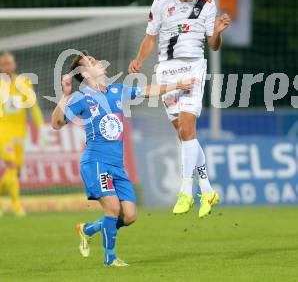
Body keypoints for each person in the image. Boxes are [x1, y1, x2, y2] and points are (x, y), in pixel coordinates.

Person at [51, 50, 194, 267]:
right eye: (90, 61)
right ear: (85, 74)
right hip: (96, 162)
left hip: (117, 165)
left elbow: (147, 90)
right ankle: (110, 258)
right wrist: (65, 94)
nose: (97, 61)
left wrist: (177, 85)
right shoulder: (82, 98)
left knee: (129, 215)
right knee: (113, 209)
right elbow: (56, 123)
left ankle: (88, 229)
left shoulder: (117, 90)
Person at [128, 0, 230, 218]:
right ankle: (207, 190)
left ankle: (186, 190)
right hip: (166, 69)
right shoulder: (161, 2)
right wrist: (139, 60)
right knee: (184, 135)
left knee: (187, 129)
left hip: (193, 68)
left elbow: (213, 45)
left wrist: (217, 33)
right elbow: (151, 36)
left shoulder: (207, 5)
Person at [0, 51, 46, 216]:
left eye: (9, 63)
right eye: (3, 64)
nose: (6, 66)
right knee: (11, 165)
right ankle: (17, 206)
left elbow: (33, 106)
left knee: (15, 171)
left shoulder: (24, 82)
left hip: (19, 132)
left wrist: (41, 128)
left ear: (14, 65)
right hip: (2, 132)